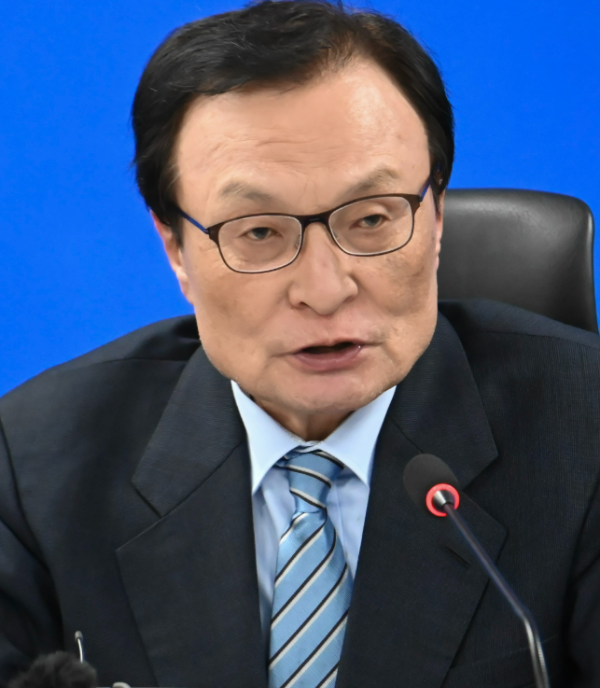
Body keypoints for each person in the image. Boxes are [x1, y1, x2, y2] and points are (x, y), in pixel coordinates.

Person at [1, 1, 600, 686]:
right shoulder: (34, 463)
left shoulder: (585, 435)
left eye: (372, 219)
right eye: (259, 231)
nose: (324, 289)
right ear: (175, 249)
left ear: (435, 218)